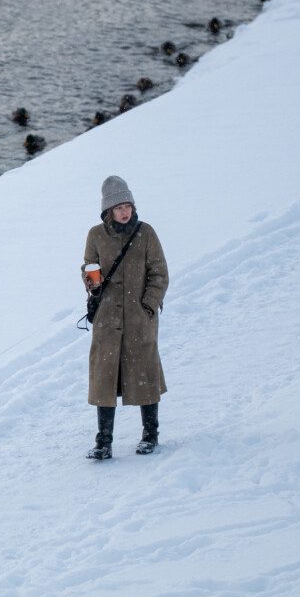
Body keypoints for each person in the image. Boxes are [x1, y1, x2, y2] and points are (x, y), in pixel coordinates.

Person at [82, 175, 169, 459]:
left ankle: (150, 435)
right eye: (119, 207)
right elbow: (88, 267)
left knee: (145, 374)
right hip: (107, 320)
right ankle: (103, 443)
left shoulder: (146, 233)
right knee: (104, 378)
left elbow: (159, 274)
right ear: (108, 210)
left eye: (128, 206)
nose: (124, 212)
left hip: (139, 319)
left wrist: (147, 307)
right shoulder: (96, 235)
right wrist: (90, 281)